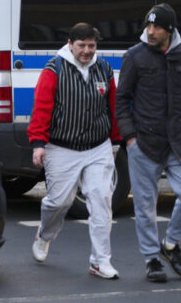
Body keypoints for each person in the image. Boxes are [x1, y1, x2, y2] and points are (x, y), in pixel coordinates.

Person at [117, 3, 181, 283]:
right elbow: (121, 100)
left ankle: (170, 245)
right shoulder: (134, 57)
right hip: (143, 142)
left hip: (178, 140)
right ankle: (151, 259)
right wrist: (130, 138)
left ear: (169, 30)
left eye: (156, 27)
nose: (150, 31)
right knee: (145, 206)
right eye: (147, 26)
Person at [28, 23, 122, 280]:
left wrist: (115, 140)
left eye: (92, 46)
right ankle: (44, 235)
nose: (87, 51)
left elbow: (112, 105)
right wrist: (38, 143)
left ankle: (100, 261)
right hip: (61, 147)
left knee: (101, 199)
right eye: (82, 46)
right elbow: (42, 107)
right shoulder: (53, 69)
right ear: (70, 44)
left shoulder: (104, 68)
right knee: (60, 201)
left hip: (98, 146)